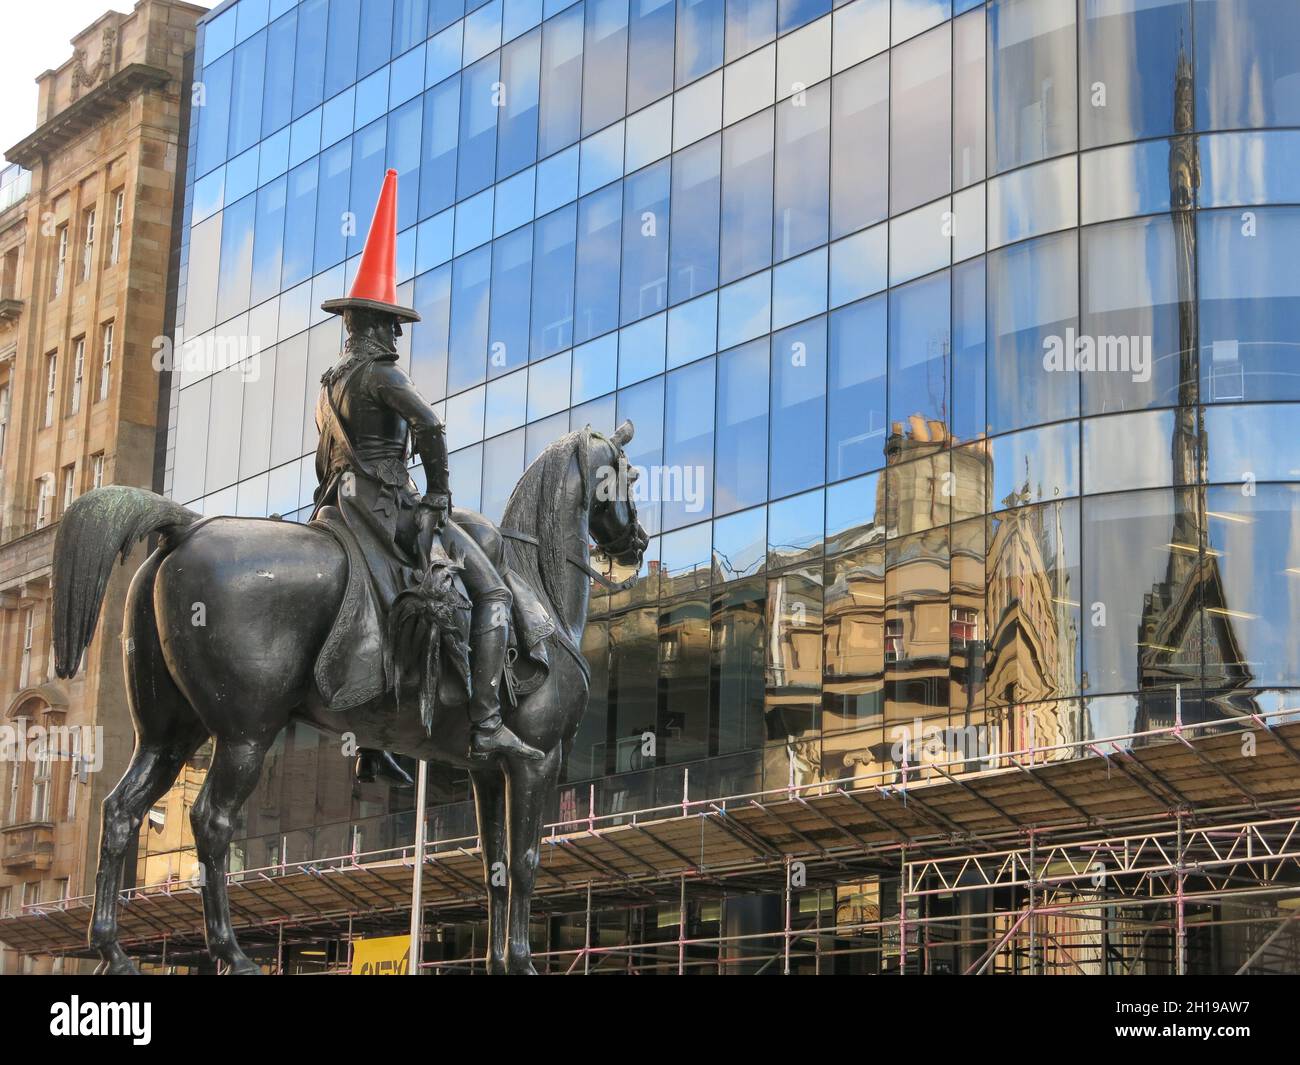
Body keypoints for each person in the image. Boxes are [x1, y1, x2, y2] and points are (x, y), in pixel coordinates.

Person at [312, 169, 544, 768]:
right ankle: (488, 722)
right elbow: (431, 427)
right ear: (375, 325)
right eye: (392, 324)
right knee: (490, 590)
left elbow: (323, 462)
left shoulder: (329, 384)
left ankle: (371, 739)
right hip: (392, 510)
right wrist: (438, 493)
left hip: (341, 507)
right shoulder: (383, 375)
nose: (396, 335)